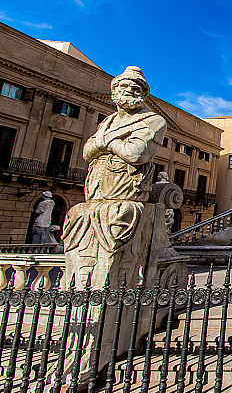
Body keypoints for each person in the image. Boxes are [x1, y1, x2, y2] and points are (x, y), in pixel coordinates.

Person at [63, 66, 167, 288]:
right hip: (96, 191)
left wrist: (106, 142)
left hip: (126, 193)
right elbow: (86, 151)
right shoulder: (107, 122)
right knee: (78, 228)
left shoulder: (153, 120)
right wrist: (115, 142)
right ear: (115, 91)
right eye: (124, 85)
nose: (129, 89)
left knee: (116, 239)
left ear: (144, 93)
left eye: (135, 87)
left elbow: (136, 153)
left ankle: (113, 298)